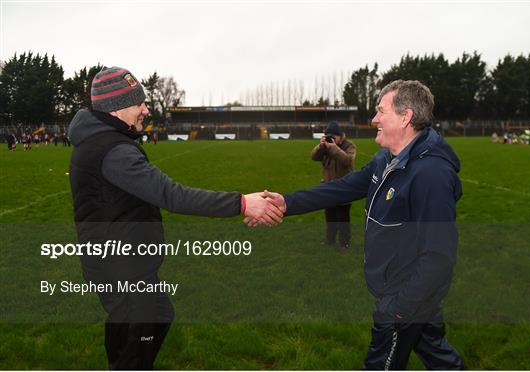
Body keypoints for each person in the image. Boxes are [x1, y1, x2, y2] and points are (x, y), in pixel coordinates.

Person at [68, 66, 283, 370]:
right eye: (138, 103)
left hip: (119, 262)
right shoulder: (112, 150)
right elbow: (172, 195)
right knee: (141, 330)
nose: (146, 109)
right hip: (120, 267)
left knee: (146, 320)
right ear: (116, 108)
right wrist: (242, 203)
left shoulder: (101, 141)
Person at [249, 80, 464, 370]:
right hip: (406, 294)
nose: (374, 119)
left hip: (405, 300)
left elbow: (439, 256)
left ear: (406, 117)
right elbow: (344, 187)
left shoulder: (431, 174)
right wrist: (288, 203)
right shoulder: (387, 159)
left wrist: (400, 307)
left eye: (380, 111)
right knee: (440, 359)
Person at [311, 121, 356, 248]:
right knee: (330, 216)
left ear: (340, 136)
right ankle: (330, 240)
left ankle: (344, 242)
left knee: (343, 217)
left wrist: (334, 148)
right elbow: (314, 157)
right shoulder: (325, 146)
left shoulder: (349, 145)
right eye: (328, 136)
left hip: (345, 187)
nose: (331, 138)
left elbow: (347, 161)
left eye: (333, 136)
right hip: (329, 186)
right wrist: (321, 146)